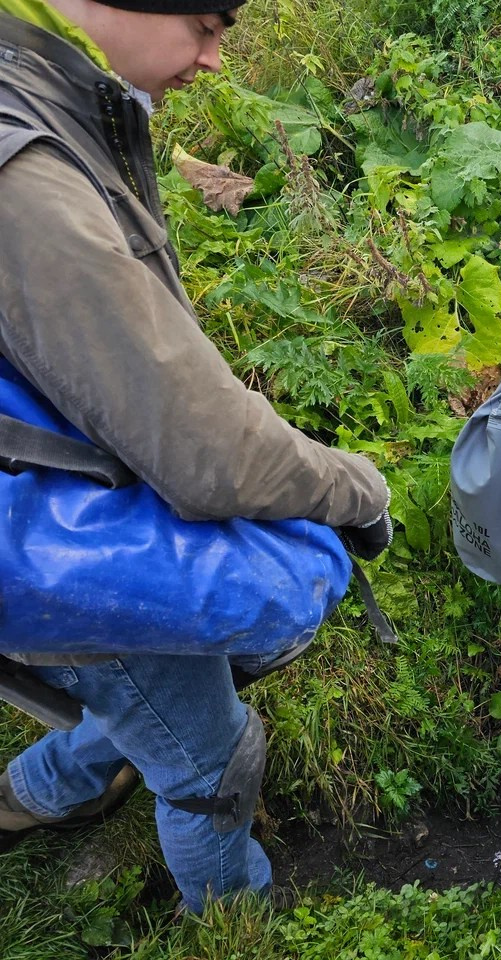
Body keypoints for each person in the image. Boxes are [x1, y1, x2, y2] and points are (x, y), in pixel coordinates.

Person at [0, 0, 392, 912]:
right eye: (207, 25)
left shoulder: (36, 83)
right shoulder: (23, 182)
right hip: (73, 552)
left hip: (42, 521)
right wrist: (355, 490)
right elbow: (203, 448)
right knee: (213, 755)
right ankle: (233, 915)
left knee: (142, 698)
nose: (215, 60)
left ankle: (40, 794)